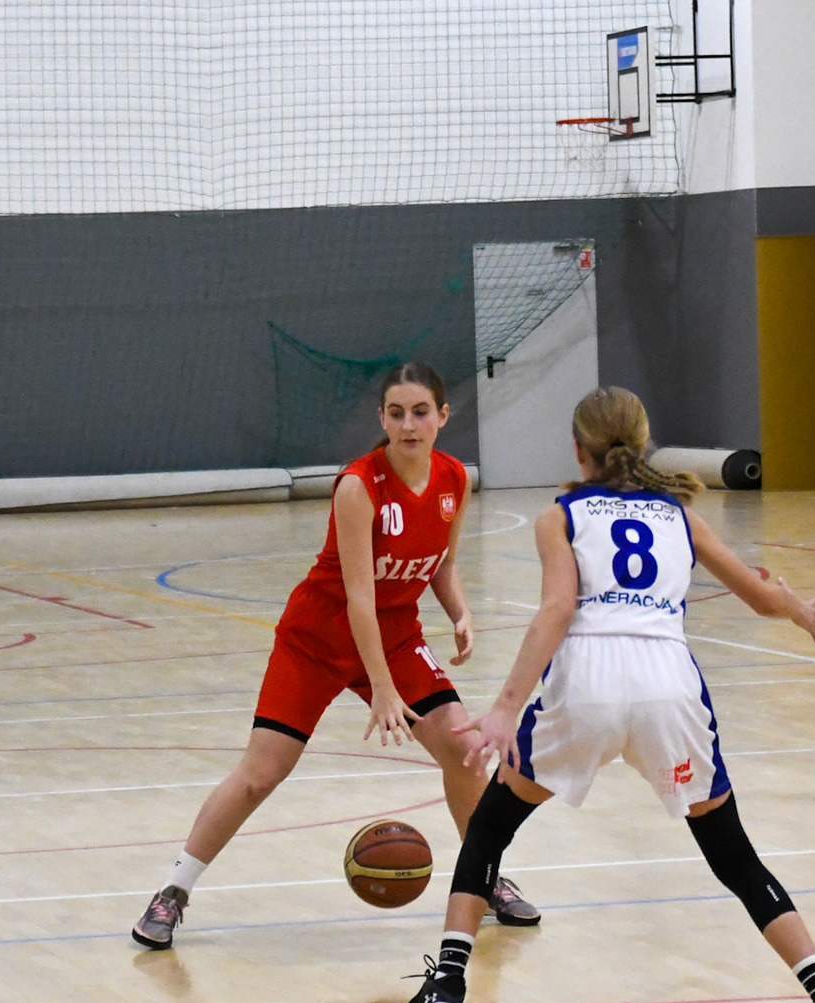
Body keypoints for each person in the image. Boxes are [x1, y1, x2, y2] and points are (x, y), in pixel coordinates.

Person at [388, 387, 815, 1003]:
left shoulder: (560, 515)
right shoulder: (680, 514)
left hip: (587, 684)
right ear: (645, 442)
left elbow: (557, 610)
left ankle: (448, 985)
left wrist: (506, 706)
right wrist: (794, 607)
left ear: (578, 450)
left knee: (489, 826)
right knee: (732, 854)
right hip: (667, 686)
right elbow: (758, 594)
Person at [131, 362, 540, 948]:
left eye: (420, 412)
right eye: (396, 413)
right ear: (382, 419)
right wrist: (383, 688)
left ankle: (485, 877)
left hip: (394, 635)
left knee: (466, 752)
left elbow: (443, 565)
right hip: (318, 638)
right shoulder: (358, 486)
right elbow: (358, 599)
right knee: (261, 774)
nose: (408, 425)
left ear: (443, 416)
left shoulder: (454, 479)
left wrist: (460, 612)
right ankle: (173, 891)